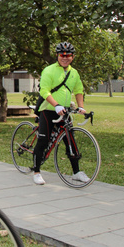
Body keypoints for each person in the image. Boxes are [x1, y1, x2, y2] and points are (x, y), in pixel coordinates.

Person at [32, 42, 89, 185]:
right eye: (62, 55)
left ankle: (76, 172)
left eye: (68, 55)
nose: (65, 58)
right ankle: (37, 171)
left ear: (73, 57)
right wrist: (56, 105)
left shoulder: (74, 73)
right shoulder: (49, 70)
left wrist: (81, 107)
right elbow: (44, 91)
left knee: (71, 141)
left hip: (65, 111)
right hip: (48, 110)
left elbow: (78, 91)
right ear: (57, 56)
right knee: (43, 141)